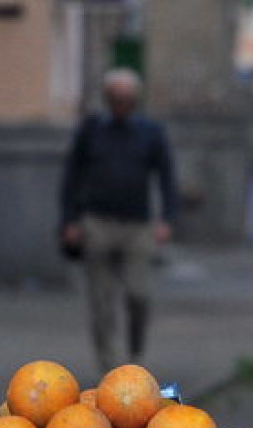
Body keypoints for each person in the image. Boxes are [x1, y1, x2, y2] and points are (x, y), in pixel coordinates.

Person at [59, 68, 178, 372]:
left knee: (139, 293)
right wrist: (69, 221)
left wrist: (166, 218)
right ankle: (109, 368)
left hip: (137, 226)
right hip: (97, 222)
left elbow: (166, 177)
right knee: (101, 301)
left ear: (135, 100)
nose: (122, 103)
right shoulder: (92, 131)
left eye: (127, 98)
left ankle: (135, 358)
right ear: (107, 99)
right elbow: (72, 177)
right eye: (116, 98)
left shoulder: (150, 133)